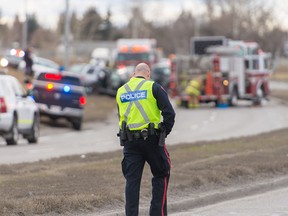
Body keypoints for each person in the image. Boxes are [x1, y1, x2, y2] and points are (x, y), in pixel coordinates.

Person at [116, 63, 175, 216]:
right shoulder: (153, 87)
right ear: (148, 73)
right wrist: (164, 132)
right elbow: (169, 113)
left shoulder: (121, 91)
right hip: (152, 140)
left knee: (132, 181)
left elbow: (121, 117)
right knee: (162, 173)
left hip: (130, 142)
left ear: (134, 74)